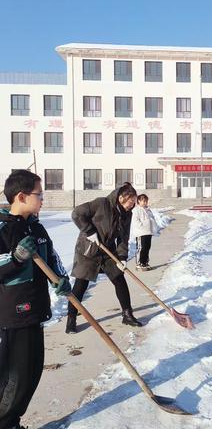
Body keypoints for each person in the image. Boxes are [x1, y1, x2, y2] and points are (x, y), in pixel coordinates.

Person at [0, 170, 71, 429]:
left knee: (32, 372)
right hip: (13, 314)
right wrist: (15, 257)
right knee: (13, 378)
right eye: (39, 194)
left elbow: (51, 258)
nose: (42, 199)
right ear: (21, 196)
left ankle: (12, 420)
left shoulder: (36, 227)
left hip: (36, 310)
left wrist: (61, 279)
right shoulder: (2, 227)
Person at [65, 182, 142, 334]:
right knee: (81, 284)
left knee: (119, 278)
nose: (131, 206)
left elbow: (123, 238)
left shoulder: (127, 214)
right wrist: (89, 231)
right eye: (130, 203)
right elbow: (77, 213)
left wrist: (122, 257)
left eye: (133, 204)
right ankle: (71, 319)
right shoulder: (101, 203)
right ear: (121, 198)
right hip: (88, 249)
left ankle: (127, 314)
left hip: (107, 251)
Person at [130, 194, 159, 271]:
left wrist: (154, 228)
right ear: (139, 201)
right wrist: (142, 226)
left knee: (147, 247)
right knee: (141, 248)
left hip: (148, 232)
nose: (145, 202)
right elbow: (135, 221)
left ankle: (145, 262)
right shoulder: (136, 210)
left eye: (146, 201)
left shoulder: (148, 210)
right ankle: (139, 263)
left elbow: (152, 219)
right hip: (141, 232)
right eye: (144, 201)